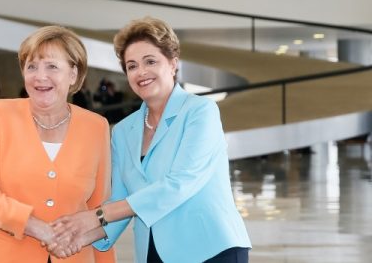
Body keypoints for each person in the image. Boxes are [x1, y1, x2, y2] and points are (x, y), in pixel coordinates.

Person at [49, 17, 252, 262]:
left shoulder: (200, 111)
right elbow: (120, 200)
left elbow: (179, 183)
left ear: (173, 64)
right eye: (132, 66)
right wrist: (80, 239)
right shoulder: (123, 131)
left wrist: (97, 215)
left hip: (210, 249)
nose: (141, 72)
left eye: (150, 61)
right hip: (153, 252)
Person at [0, 26, 115, 263]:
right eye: (31, 66)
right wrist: (38, 228)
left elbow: (99, 210)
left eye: (52, 66)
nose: (40, 76)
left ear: (73, 74)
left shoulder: (96, 127)